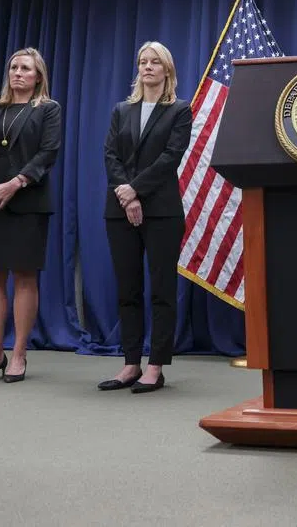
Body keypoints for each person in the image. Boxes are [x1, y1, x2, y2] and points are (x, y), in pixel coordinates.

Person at [97, 41, 192, 394]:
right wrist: (126, 195)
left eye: (155, 62)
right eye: (142, 61)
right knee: (128, 289)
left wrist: (135, 189)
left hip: (162, 210)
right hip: (119, 209)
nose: (148, 67)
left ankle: (156, 367)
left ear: (167, 70)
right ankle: (131, 363)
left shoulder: (179, 110)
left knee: (162, 290)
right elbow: (110, 155)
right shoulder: (121, 110)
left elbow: (171, 157)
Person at [0, 48, 61, 384]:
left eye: (26, 68)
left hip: (27, 202)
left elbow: (48, 153)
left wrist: (14, 184)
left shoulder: (48, 109)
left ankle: (18, 353)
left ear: (38, 76)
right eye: (14, 67)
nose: (18, 73)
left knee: (24, 277)